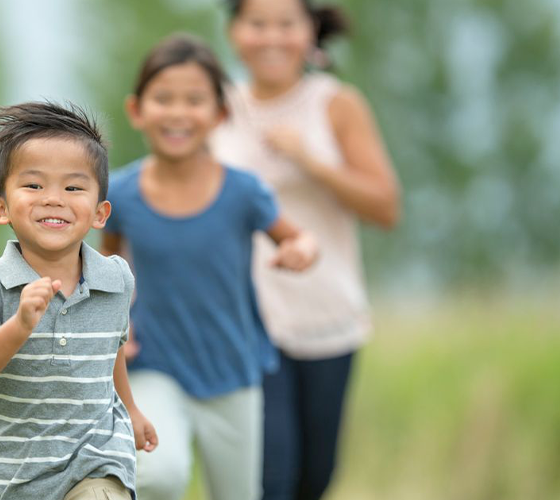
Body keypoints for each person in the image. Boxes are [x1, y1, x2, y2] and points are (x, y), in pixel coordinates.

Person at [100, 34, 318, 500]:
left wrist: (301, 250)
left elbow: (299, 236)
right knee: (160, 477)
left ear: (220, 114)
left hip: (233, 374)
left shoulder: (243, 192)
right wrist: (117, 326)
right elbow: (109, 274)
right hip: (155, 367)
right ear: (137, 110)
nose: (178, 113)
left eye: (195, 100)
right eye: (163, 99)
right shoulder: (120, 194)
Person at [212, 1, 402, 499]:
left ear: (310, 32)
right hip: (245, 318)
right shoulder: (214, 107)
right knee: (270, 478)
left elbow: (385, 207)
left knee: (314, 478)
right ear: (234, 32)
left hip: (326, 312)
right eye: (257, 24)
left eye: (286, 24)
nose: (271, 37)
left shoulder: (336, 103)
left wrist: (311, 161)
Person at [0, 101, 157, 500]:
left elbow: (107, 351)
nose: (54, 199)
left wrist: (130, 409)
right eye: (34, 185)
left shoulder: (116, 278)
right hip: (13, 478)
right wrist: (20, 325)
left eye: (73, 187)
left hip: (97, 458)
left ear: (99, 213)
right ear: (1, 208)